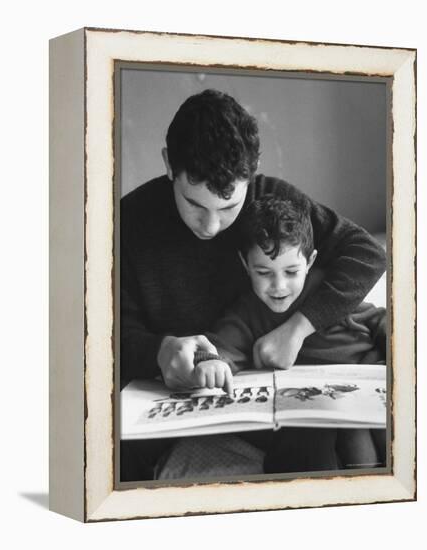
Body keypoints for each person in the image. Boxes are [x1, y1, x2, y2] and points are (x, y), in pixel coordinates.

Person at [120, 89, 386, 480]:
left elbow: (366, 253)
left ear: (254, 169)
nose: (210, 226)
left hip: (281, 393)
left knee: (316, 442)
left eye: (228, 207)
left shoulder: (273, 200)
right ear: (168, 165)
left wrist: (297, 329)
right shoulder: (127, 222)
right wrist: (156, 350)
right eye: (193, 204)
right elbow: (103, 334)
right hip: (183, 387)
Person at [193, 195, 386, 472]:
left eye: (291, 271)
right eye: (264, 272)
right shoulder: (247, 312)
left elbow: (380, 320)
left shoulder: (329, 294)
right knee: (319, 443)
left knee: (380, 430)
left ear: (310, 261)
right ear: (245, 265)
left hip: (367, 383)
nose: (279, 286)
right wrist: (208, 361)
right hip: (315, 412)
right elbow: (218, 348)